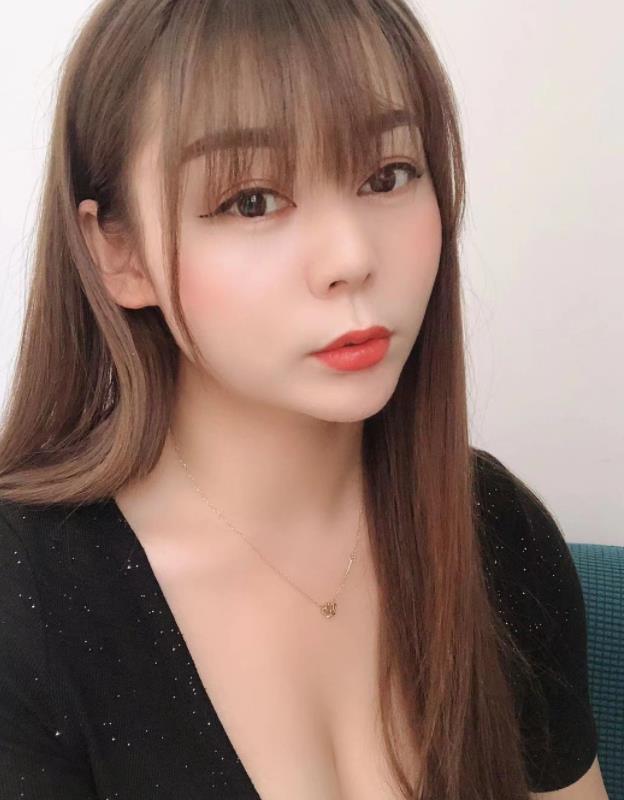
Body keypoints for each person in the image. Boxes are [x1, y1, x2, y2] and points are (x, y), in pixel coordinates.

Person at [0, 1, 609, 798]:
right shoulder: (26, 603)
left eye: (388, 175)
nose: (351, 257)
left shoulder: (494, 530)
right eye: (251, 200)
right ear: (120, 253)